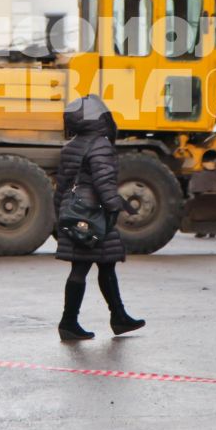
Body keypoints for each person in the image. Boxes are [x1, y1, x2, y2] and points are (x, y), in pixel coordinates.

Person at [52, 95, 144, 342]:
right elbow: (103, 181)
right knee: (85, 267)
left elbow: (61, 184)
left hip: (73, 211)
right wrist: (114, 207)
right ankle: (70, 322)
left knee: (103, 264)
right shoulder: (100, 145)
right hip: (94, 214)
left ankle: (118, 317)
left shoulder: (71, 145)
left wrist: (57, 217)